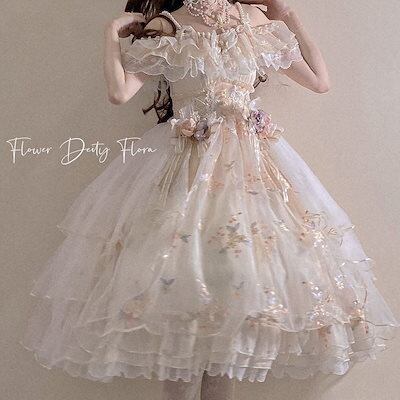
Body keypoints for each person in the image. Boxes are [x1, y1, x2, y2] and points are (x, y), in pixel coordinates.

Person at [21, 1, 399, 400]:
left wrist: (288, 15)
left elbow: (320, 81)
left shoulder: (253, 20)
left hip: (251, 178)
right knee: (179, 304)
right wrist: (111, 33)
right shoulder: (169, 26)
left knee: (233, 312)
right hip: (185, 171)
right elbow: (119, 93)